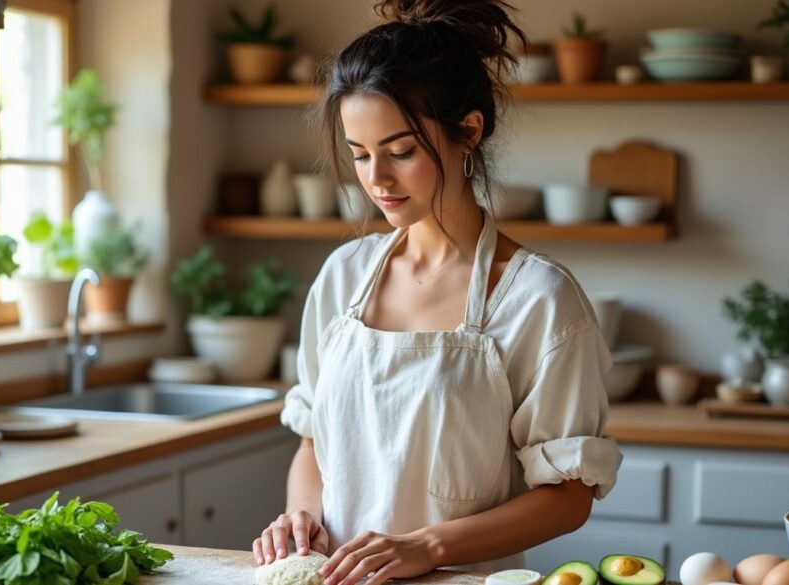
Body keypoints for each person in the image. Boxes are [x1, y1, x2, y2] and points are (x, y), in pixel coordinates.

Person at [253, 1, 622, 583]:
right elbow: (313, 445)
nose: (377, 179)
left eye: (400, 152)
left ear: (468, 131)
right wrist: (302, 515)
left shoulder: (538, 300)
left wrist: (427, 546)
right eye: (360, 156)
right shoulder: (343, 277)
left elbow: (568, 497)